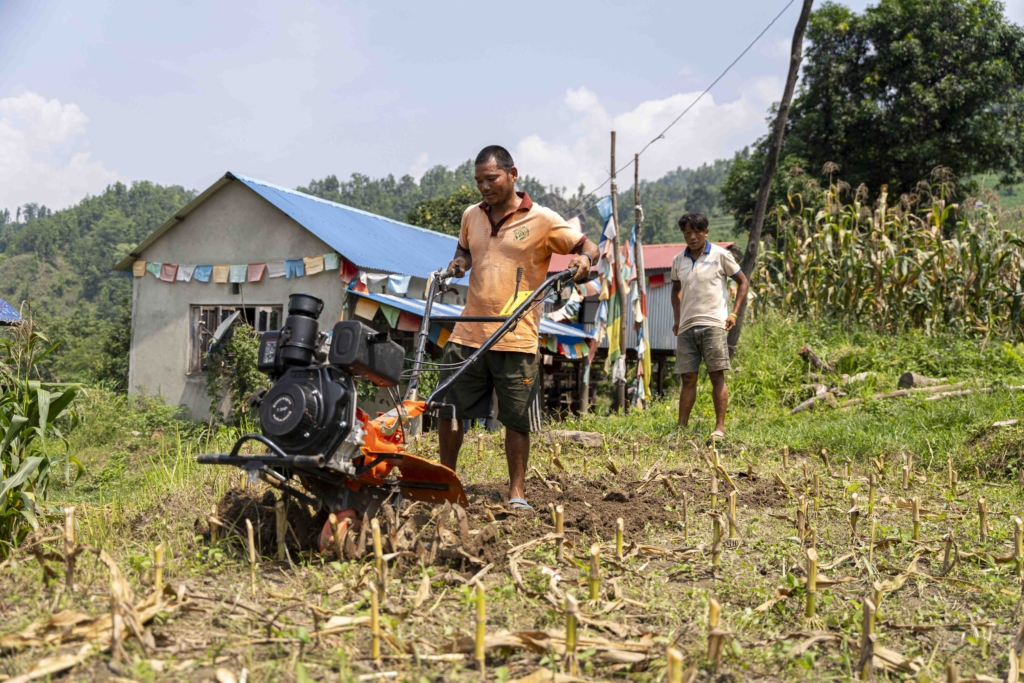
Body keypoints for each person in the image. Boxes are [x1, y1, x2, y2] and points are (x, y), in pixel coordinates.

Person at [437, 145, 599, 511]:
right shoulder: (471, 216)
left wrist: (584, 259)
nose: (483, 187)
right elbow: (463, 251)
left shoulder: (541, 219)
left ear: (512, 174)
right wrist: (458, 264)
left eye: (491, 178)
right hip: (469, 332)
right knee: (449, 410)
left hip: (517, 334)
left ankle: (516, 492)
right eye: (478, 180)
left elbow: (586, 244)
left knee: (516, 417)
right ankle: (446, 482)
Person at [670, 213, 749, 439]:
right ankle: (681, 429)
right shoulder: (678, 261)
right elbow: (675, 291)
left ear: (706, 232)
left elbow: (743, 282)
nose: (692, 237)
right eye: (687, 233)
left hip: (714, 324)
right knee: (688, 378)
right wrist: (677, 319)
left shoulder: (720, 255)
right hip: (686, 326)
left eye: (697, 232)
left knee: (716, 375)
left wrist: (734, 313)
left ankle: (720, 428)